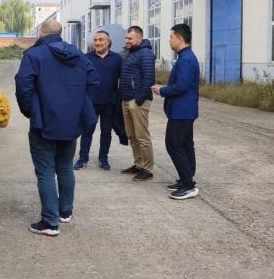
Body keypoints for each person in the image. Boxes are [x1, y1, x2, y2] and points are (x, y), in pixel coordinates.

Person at [15, 19, 99, 236]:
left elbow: (24, 87)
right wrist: (78, 106)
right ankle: (65, 211)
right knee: (65, 167)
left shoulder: (34, 55)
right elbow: (93, 82)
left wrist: (31, 111)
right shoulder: (79, 55)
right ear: (60, 34)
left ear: (41, 34)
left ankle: (50, 222)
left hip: (44, 122)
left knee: (45, 171)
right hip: (71, 122)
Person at [152, 23, 200, 200]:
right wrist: (164, 87)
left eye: (171, 37)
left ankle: (188, 185)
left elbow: (182, 86)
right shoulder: (185, 57)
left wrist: (162, 90)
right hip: (184, 110)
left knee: (173, 144)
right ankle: (186, 179)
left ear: (180, 39)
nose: (169, 40)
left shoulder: (186, 59)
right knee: (186, 144)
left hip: (182, 111)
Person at [74, 30, 123, 171]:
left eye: (101, 40)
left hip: (109, 103)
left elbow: (123, 79)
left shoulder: (117, 59)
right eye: (95, 40)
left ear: (108, 42)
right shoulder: (86, 58)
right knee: (87, 130)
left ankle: (103, 158)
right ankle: (83, 158)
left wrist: (117, 97)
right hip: (90, 102)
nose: (97, 43)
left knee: (106, 131)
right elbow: (79, 78)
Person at [119, 26, 156, 181]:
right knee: (132, 135)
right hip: (127, 99)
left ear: (139, 39)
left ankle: (147, 169)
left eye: (130, 38)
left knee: (142, 136)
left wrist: (138, 99)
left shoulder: (145, 53)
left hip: (138, 101)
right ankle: (138, 164)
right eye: (126, 38)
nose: (127, 41)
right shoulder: (130, 53)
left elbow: (149, 78)